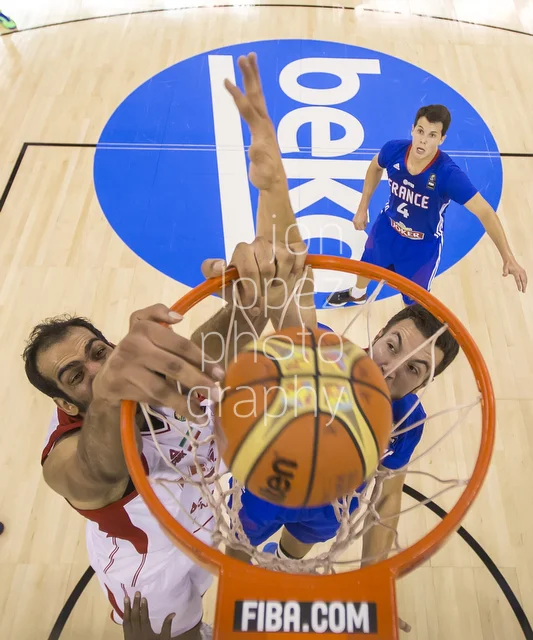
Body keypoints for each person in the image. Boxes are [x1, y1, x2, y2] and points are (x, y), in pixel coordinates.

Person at [23, 52, 308, 639]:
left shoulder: (169, 373)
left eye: (96, 351)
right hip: (150, 569)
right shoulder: (67, 462)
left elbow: (267, 300)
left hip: (210, 519)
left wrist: (274, 187)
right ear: (67, 405)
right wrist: (108, 396)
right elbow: (102, 466)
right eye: (75, 377)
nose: (96, 371)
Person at [326, 104, 527, 307]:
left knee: (413, 304)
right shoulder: (394, 150)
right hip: (388, 227)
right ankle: (358, 294)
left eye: (432, 135)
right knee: (366, 265)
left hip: (422, 246)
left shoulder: (448, 175)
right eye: (420, 131)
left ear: (441, 139)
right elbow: (375, 167)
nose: (423, 140)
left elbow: (485, 213)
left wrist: (507, 256)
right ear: (412, 129)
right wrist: (363, 207)